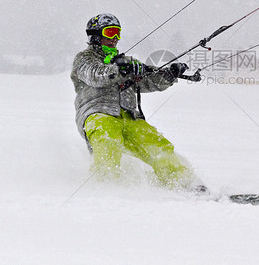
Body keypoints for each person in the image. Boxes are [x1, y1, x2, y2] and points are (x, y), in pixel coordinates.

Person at [70, 13, 200, 191]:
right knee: (107, 137)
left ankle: (183, 183)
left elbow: (149, 80)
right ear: (96, 36)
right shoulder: (85, 59)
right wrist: (119, 69)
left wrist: (169, 75)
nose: (115, 38)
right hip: (98, 113)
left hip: (130, 117)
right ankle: (105, 186)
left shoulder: (127, 62)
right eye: (110, 32)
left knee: (157, 144)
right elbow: (96, 75)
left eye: (118, 33)